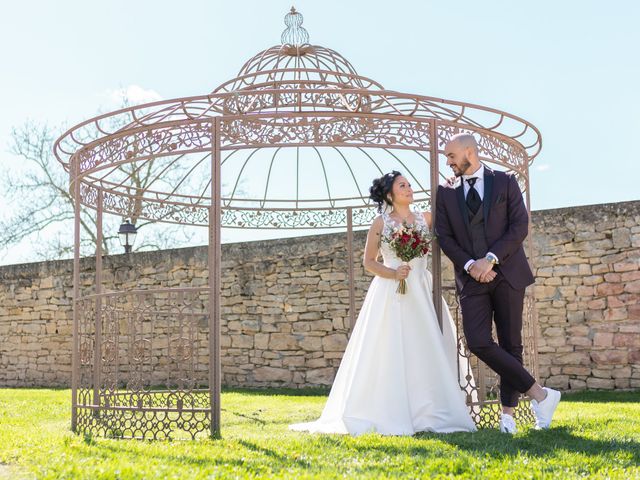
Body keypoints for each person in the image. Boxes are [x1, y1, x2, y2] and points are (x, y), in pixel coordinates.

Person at [289, 171, 476, 435]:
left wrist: (449, 188)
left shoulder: (426, 218)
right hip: (391, 292)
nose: (409, 189)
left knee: (426, 344)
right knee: (390, 347)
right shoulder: (381, 223)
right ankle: (386, 408)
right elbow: (369, 262)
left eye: (410, 184)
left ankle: (433, 407)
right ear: (390, 194)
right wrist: (393, 273)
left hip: (422, 288)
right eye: (403, 185)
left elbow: (452, 222)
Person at [434, 133, 561, 433]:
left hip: (507, 273)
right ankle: (541, 395)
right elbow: (445, 237)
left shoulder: (505, 182)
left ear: (469, 152)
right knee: (478, 340)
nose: (448, 162)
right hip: (471, 279)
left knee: (511, 344)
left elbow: (520, 226)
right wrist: (470, 265)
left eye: (451, 156)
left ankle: (508, 417)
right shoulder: (446, 192)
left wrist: (489, 259)